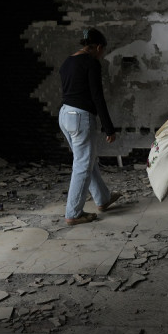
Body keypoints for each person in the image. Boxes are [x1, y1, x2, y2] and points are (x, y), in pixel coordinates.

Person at [58, 27, 121, 226]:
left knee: (86, 160)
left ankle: (103, 198)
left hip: (65, 114)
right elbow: (97, 96)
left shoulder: (67, 62)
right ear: (98, 47)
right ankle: (73, 213)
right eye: (102, 51)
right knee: (83, 164)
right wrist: (109, 127)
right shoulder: (91, 63)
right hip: (80, 116)